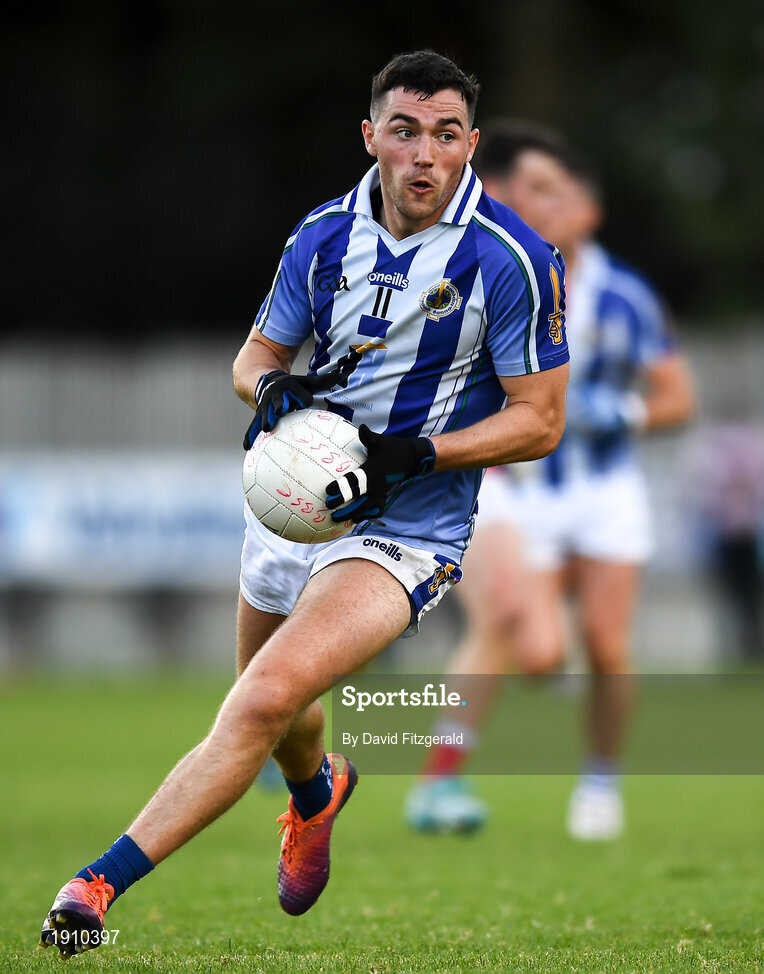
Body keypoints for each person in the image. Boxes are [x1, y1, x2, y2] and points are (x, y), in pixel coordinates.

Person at [39, 54, 569, 957]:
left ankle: (92, 887)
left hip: (406, 528)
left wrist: (423, 451)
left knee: (258, 701)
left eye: (447, 135)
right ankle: (318, 793)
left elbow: (540, 419)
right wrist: (271, 394)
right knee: (280, 714)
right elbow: (253, 358)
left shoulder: (513, 260)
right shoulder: (322, 235)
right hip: (294, 507)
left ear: (472, 145)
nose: (424, 154)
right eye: (405, 130)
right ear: (371, 136)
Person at [406, 120, 695, 839]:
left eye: (549, 191)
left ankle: (598, 782)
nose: (533, 202)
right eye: (525, 189)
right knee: (533, 651)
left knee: (606, 645)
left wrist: (620, 411)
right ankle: (445, 767)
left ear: (586, 211)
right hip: (517, 486)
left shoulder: (626, 295)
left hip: (603, 490)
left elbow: (678, 397)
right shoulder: (501, 273)